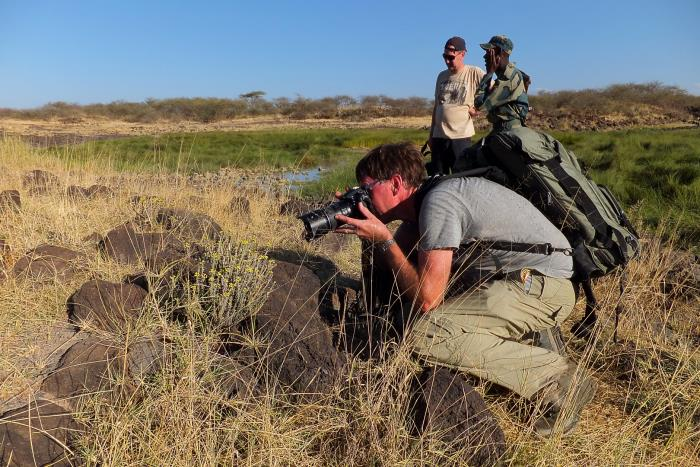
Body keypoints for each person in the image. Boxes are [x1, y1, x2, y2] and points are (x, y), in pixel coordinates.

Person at [335, 142, 596, 436]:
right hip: (524, 282)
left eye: (366, 191)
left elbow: (427, 298)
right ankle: (532, 336)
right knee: (409, 318)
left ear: (395, 184)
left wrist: (383, 239)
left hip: (543, 286)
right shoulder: (419, 209)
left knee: (424, 335)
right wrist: (365, 230)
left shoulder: (440, 203)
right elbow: (391, 284)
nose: (363, 198)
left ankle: (557, 377)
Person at [428, 36, 485, 175]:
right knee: (436, 179)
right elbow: (437, 106)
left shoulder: (474, 72)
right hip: (439, 138)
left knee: (460, 178)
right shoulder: (441, 76)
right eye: (444, 56)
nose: (447, 61)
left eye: (451, 57)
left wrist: (479, 108)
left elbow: (495, 90)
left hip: (460, 138)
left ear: (462, 54)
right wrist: (431, 136)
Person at [472, 35, 530, 132]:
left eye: (490, 52)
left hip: (509, 131)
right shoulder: (508, 73)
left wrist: (489, 73)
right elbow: (527, 79)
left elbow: (480, 104)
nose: (485, 56)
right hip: (502, 128)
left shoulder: (508, 77)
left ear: (501, 53)